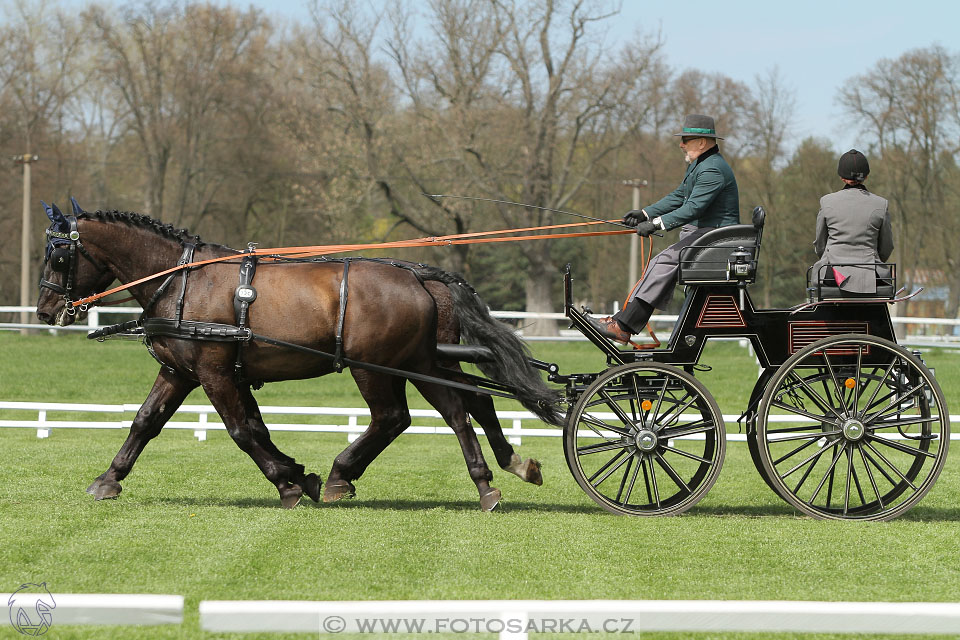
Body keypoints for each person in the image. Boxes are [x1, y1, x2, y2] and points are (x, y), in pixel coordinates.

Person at [587, 114, 740, 343]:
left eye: (685, 139)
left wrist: (655, 224)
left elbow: (693, 208)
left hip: (716, 241)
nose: (681, 144)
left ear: (701, 142)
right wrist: (645, 213)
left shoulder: (712, 170)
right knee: (661, 261)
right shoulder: (701, 164)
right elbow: (680, 196)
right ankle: (622, 321)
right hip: (705, 237)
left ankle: (624, 325)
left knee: (664, 261)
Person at [812, 149, 893, 293]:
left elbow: (820, 245)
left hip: (832, 276)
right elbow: (886, 247)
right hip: (870, 276)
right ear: (866, 176)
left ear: (842, 177)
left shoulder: (826, 202)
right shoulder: (881, 204)